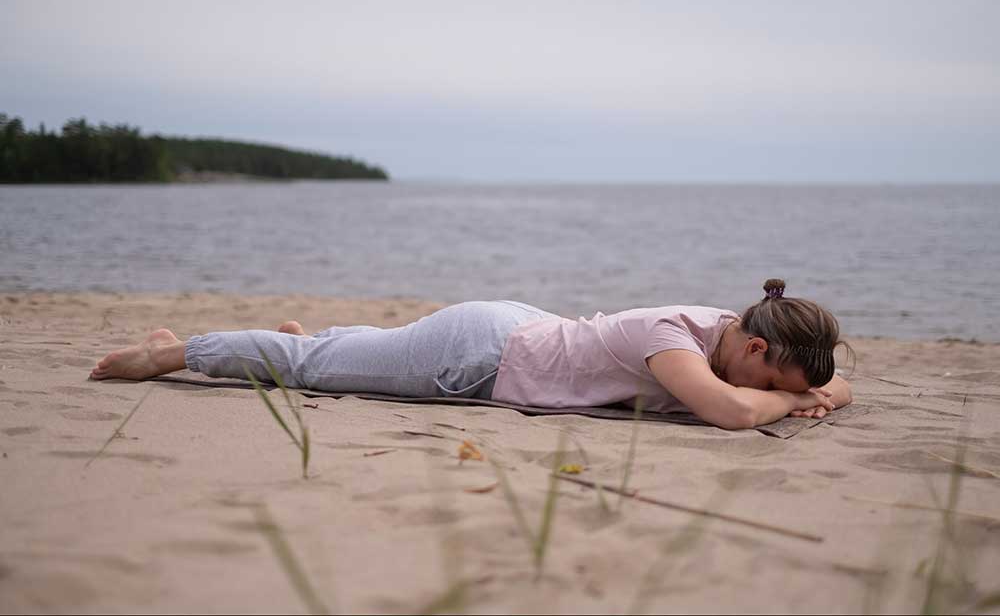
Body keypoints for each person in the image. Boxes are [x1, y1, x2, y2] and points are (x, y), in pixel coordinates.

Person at [89, 278, 853, 430]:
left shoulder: (728, 328)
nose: (771, 388)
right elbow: (727, 411)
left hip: (514, 332)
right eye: (772, 374)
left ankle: (299, 334)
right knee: (313, 374)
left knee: (362, 350)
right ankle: (174, 350)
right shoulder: (672, 338)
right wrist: (789, 402)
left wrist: (815, 389)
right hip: (477, 360)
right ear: (754, 344)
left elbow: (836, 384)